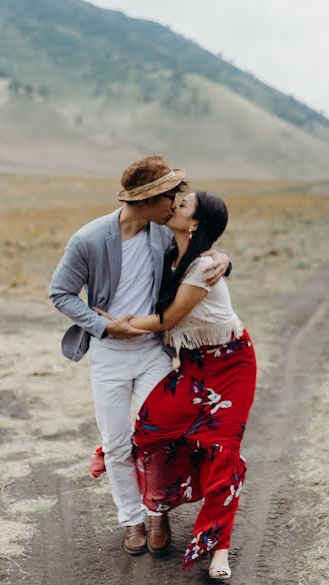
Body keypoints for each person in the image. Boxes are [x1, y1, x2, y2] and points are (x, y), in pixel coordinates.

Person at [49, 155, 230, 555]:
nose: (175, 205)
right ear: (148, 200)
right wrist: (106, 325)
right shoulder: (88, 240)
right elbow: (59, 293)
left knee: (159, 438)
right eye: (170, 197)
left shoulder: (162, 235)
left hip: (153, 352)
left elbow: (200, 251)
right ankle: (130, 519)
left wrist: (223, 259)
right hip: (108, 354)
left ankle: (157, 511)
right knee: (116, 443)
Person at [95, 190, 256, 580]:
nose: (175, 206)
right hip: (194, 366)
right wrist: (226, 256)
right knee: (151, 430)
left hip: (231, 364)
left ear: (195, 222)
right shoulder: (170, 249)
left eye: (183, 205)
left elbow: (168, 318)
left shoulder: (202, 267)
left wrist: (116, 323)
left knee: (222, 452)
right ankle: (160, 502)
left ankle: (219, 550)